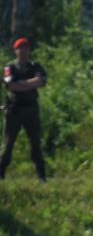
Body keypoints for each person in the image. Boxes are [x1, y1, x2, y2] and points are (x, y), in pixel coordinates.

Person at [0, 36, 48, 183]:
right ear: (15, 50)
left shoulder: (36, 66)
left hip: (31, 110)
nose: (23, 50)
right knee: (8, 144)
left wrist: (22, 83)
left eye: (26, 47)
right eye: (20, 48)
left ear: (29, 50)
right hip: (14, 110)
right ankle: (1, 174)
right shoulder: (9, 67)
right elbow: (12, 86)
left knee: (36, 143)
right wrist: (30, 84)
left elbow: (40, 81)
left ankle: (41, 176)